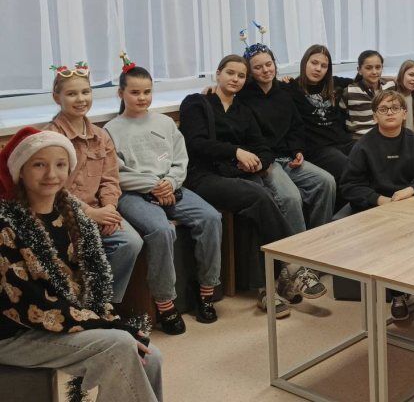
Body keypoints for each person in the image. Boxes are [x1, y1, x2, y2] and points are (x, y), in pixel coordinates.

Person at [0, 127, 162, 402]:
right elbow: (32, 304)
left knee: (150, 355)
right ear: (21, 172)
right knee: (120, 345)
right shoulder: (7, 226)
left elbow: (90, 287)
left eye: (60, 165)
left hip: (62, 321)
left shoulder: (72, 217)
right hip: (15, 332)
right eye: (39, 165)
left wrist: (109, 322)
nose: (51, 174)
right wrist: (106, 327)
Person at [105, 56, 223, 334]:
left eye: (147, 92)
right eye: (135, 92)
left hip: (172, 187)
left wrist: (169, 182)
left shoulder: (165, 123)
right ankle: (165, 303)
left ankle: (206, 292)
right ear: (121, 93)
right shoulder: (111, 130)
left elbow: (181, 160)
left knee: (210, 218)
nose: (142, 98)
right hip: (133, 195)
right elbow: (115, 173)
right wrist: (152, 185)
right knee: (161, 230)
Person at [179, 55, 301, 319]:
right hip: (202, 177)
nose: (235, 79)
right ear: (218, 73)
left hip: (236, 176)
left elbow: (263, 148)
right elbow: (196, 143)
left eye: (241, 75)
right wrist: (236, 152)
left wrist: (257, 163)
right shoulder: (197, 103)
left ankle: (266, 290)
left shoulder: (242, 110)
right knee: (259, 196)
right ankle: (291, 263)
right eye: (230, 73)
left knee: (257, 207)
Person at [238, 38, 336, 299]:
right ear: (250, 71)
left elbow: (296, 126)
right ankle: (297, 267)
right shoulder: (243, 97)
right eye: (258, 67)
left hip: (288, 157)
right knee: (291, 197)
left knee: (325, 182)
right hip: (265, 162)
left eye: (268, 64)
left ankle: (316, 253)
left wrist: (297, 151)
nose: (265, 70)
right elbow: (249, 136)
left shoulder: (285, 92)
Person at [44, 61, 143, 306]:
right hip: (64, 213)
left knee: (130, 242)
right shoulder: (51, 137)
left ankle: (103, 304)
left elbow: (110, 179)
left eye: (85, 92)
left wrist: (108, 208)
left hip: (99, 210)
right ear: (57, 97)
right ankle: (78, 305)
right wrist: (89, 213)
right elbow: (54, 189)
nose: (80, 99)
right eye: (71, 94)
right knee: (71, 250)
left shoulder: (101, 136)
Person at [340, 90, 414, 319]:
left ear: (404, 113)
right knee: (393, 239)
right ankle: (398, 294)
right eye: (383, 109)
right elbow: (350, 186)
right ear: (374, 116)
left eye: (395, 108)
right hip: (378, 207)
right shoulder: (363, 146)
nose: (390, 113)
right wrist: (379, 200)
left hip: (410, 201)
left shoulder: (413, 141)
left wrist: (410, 190)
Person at [286, 44, 355, 182]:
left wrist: (394, 80)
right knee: (348, 167)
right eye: (314, 63)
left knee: (371, 155)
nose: (318, 69)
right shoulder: (291, 88)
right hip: (318, 148)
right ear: (304, 63)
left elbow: (364, 79)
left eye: (324, 66)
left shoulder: (334, 83)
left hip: (343, 142)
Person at [341, 50, 395, 139]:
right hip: (359, 139)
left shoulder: (390, 87)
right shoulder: (350, 92)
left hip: (384, 137)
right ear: (359, 70)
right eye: (368, 68)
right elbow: (340, 117)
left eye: (378, 67)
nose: (374, 72)